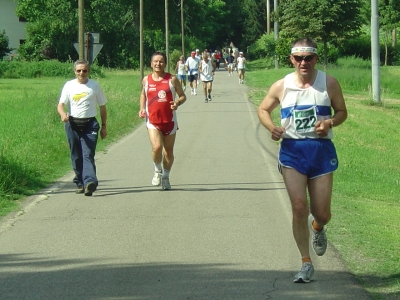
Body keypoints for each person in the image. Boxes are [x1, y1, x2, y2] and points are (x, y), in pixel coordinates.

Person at [257, 37, 347, 283]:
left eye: (308, 58)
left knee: (322, 213)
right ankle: (306, 263)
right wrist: (272, 128)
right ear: (292, 59)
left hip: (320, 150)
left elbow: (342, 112)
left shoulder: (328, 83)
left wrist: (329, 122)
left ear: (316, 58)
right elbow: (263, 109)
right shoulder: (281, 85)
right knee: (299, 207)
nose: (303, 62)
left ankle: (318, 227)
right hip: (292, 151)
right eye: (298, 58)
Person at [57, 59, 108, 196]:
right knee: (76, 155)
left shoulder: (94, 86)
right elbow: (61, 104)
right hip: (72, 123)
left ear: (89, 71)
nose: (82, 73)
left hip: (90, 124)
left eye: (84, 70)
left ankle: (89, 182)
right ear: (75, 71)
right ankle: (79, 182)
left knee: (88, 154)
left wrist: (104, 126)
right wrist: (63, 114)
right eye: (79, 70)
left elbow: (102, 107)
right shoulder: (69, 86)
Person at [139, 51, 186, 190]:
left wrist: (177, 102)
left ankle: (165, 177)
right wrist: (142, 108)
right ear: (151, 63)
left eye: (161, 61)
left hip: (169, 121)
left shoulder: (172, 79)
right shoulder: (146, 80)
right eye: (155, 61)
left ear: (165, 64)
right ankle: (157, 170)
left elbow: (183, 96)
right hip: (153, 120)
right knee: (157, 147)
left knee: (168, 152)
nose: (158, 64)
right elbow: (143, 94)